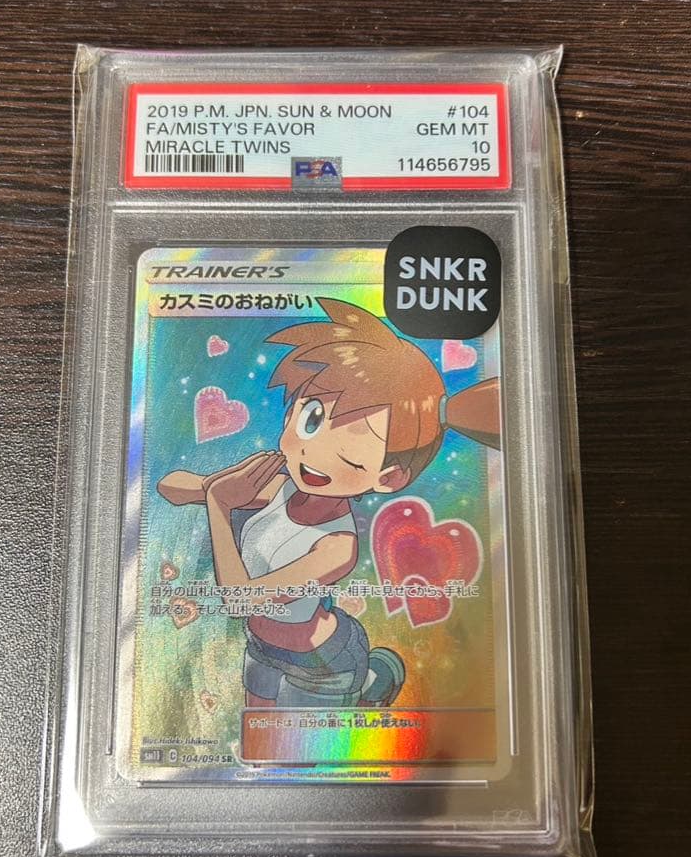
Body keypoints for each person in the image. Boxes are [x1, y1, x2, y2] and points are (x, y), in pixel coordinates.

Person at [157, 299, 500, 709]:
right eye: (312, 419)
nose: (312, 451)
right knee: (255, 737)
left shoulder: (338, 546)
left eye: (352, 442)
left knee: (295, 745)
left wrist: (219, 504)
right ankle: (373, 677)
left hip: (323, 663)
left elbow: (241, 600)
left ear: (387, 478)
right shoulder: (277, 487)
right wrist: (217, 484)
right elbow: (171, 488)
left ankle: (371, 681)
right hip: (261, 647)